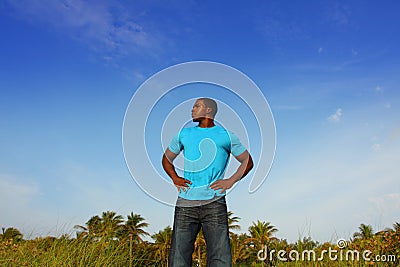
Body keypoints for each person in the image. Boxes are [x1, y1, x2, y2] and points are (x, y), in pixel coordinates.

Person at [162, 97, 253, 267]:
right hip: (186, 203)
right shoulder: (184, 134)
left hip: (214, 202)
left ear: (208, 110)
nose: (192, 109)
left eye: (197, 106)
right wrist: (175, 178)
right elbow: (166, 159)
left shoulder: (226, 136)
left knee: (220, 256)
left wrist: (230, 181)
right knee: (178, 256)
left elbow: (247, 161)